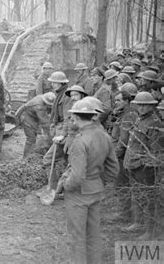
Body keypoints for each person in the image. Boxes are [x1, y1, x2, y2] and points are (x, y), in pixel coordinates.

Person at [57, 100, 119, 264]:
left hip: (78, 194)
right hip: (96, 190)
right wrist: (99, 181)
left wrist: (65, 185)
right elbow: (113, 169)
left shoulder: (80, 141)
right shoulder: (104, 136)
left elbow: (77, 177)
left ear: (76, 117)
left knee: (76, 237)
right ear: (93, 116)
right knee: (93, 234)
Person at [122, 92, 163, 239]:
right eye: (139, 105)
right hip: (132, 163)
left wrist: (145, 165)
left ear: (152, 106)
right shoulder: (140, 120)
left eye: (144, 105)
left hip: (144, 167)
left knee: (147, 199)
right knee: (136, 196)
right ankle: (138, 223)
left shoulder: (154, 123)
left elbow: (154, 150)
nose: (141, 108)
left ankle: (149, 230)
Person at [110, 91, 139, 219]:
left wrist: (114, 156)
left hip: (121, 155)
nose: (116, 103)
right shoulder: (123, 113)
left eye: (119, 100)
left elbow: (124, 140)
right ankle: (124, 212)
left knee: (121, 184)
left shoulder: (128, 115)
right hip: (120, 153)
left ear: (127, 101)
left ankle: (124, 213)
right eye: (115, 100)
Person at [16, 92, 56, 158]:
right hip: (26, 116)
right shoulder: (39, 106)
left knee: (35, 135)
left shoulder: (41, 97)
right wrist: (49, 135)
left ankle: (31, 153)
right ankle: (26, 158)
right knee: (31, 139)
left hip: (33, 117)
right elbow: (44, 122)